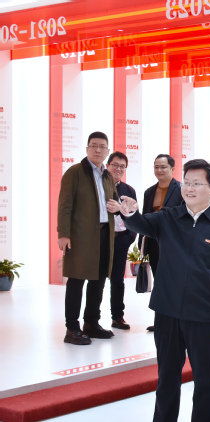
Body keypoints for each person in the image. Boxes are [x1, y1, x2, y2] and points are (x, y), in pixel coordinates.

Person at [119, 159, 210, 422]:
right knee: (167, 377)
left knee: (206, 380)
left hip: (205, 316)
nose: (189, 188)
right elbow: (141, 224)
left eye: (197, 183)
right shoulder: (168, 217)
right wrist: (130, 214)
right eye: (186, 182)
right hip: (167, 312)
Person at [57, 131, 117, 345]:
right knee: (76, 280)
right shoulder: (75, 172)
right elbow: (64, 205)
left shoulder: (107, 175)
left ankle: (91, 323)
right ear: (87, 149)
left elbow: (114, 202)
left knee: (98, 280)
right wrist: (63, 234)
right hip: (80, 236)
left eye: (102, 146)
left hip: (104, 233)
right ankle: (72, 328)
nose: (98, 150)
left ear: (107, 151)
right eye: (94, 146)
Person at [140, 154, 183, 332]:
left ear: (172, 169)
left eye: (163, 167)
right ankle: (161, 321)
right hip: (154, 244)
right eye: (156, 167)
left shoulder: (181, 189)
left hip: (174, 245)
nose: (159, 170)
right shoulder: (149, 192)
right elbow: (144, 219)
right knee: (159, 284)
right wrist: (141, 246)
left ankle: (176, 321)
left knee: (174, 284)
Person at [106, 151, 137, 330]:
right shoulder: (99, 186)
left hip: (121, 240)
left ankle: (117, 317)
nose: (118, 169)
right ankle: (92, 320)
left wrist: (129, 237)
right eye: (115, 165)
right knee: (97, 280)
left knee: (117, 280)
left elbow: (134, 216)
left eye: (122, 166)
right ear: (108, 166)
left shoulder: (129, 190)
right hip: (102, 239)